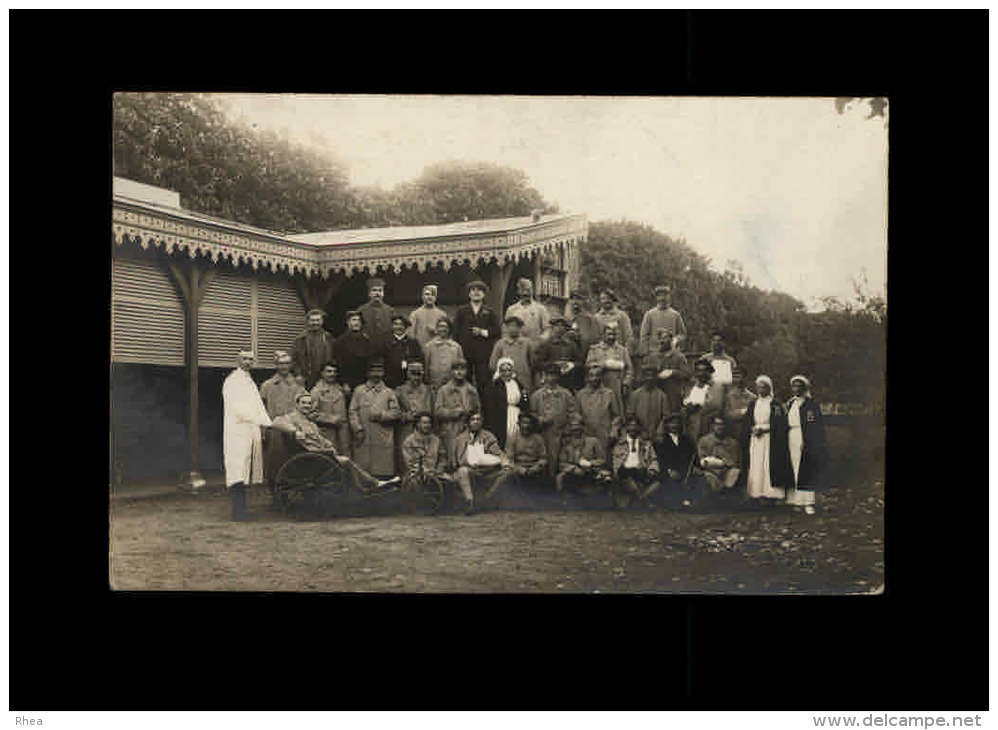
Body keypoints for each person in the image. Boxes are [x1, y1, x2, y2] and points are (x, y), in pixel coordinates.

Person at [272, 392, 399, 491]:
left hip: (321, 455)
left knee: (344, 461)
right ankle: (372, 484)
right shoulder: (292, 418)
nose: (306, 406)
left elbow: (320, 439)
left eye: (309, 403)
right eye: (303, 403)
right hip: (311, 458)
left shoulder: (310, 423)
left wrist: (328, 444)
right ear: (297, 404)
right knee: (346, 461)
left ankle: (366, 486)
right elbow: (276, 421)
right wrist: (295, 431)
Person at [222, 350, 272, 521]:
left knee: (245, 469)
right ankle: (237, 511)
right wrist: (263, 421)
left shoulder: (249, 380)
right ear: (238, 360)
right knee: (238, 469)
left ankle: (242, 509)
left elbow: (258, 405)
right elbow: (237, 408)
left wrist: (266, 421)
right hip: (238, 430)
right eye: (245, 359)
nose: (248, 362)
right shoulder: (232, 381)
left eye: (251, 359)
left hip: (250, 428)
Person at [742, 375, 793, 507]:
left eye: (763, 386)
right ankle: (758, 494)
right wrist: (752, 429)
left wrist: (765, 429)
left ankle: (774, 495)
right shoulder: (753, 403)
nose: (760, 389)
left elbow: (780, 423)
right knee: (757, 464)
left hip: (771, 439)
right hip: (756, 438)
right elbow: (748, 421)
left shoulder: (775, 404)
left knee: (769, 466)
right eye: (758, 386)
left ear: (769, 388)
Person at [348, 358, 402, 478]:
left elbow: (396, 413)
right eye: (374, 371)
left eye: (380, 370)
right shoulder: (359, 391)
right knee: (362, 471)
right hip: (364, 436)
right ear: (368, 373)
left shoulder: (389, 392)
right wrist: (357, 429)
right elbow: (352, 411)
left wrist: (381, 416)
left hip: (382, 436)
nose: (377, 374)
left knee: (382, 471)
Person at [785, 375, 830, 515]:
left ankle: (808, 502)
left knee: (806, 470)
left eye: (799, 386)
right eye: (794, 386)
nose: (796, 389)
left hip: (805, 439)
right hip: (791, 436)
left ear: (804, 388)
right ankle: (795, 501)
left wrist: (809, 441)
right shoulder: (790, 403)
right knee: (794, 468)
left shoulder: (811, 404)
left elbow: (815, 426)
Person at [453, 411, 513, 514]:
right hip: (471, 470)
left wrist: (505, 463)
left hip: (488, 471)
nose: (476, 422)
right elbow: (457, 459)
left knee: (509, 472)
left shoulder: (488, 436)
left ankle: (488, 498)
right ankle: (470, 501)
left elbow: (498, 452)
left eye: (478, 419)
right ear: (467, 423)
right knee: (462, 471)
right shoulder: (460, 439)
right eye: (473, 420)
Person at [530, 363, 581, 477]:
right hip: (542, 434)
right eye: (549, 375)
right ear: (545, 376)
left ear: (559, 377)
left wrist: (570, 428)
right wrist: (541, 420)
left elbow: (574, 413)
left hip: (561, 434)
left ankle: (558, 485)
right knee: (543, 460)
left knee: (559, 461)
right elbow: (532, 415)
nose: (552, 378)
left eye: (555, 375)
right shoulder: (536, 395)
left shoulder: (566, 394)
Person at [454, 279, 502, 394]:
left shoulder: (489, 312)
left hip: (483, 353)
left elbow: (497, 331)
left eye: (479, 290)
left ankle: (484, 409)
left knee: (483, 382)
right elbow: (455, 331)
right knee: (465, 380)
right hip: (465, 352)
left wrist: (482, 332)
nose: (476, 292)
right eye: (473, 290)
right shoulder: (461, 311)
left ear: (483, 294)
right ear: (469, 293)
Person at [434, 359, 481, 470]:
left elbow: (478, 409)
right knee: (451, 460)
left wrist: (474, 423)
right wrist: (455, 412)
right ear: (451, 372)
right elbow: (437, 411)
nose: (459, 372)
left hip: (467, 429)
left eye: (462, 369)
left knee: (467, 459)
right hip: (450, 429)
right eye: (456, 369)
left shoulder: (471, 390)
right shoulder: (444, 390)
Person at [488, 412, 548, 499]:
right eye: (523, 423)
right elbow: (509, 459)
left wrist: (535, 467)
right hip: (517, 467)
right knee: (505, 475)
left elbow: (543, 458)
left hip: (534, 467)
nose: (526, 426)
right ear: (518, 424)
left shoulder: (538, 438)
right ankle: (489, 497)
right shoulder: (513, 438)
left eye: (528, 423)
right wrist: (519, 469)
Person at [644, 412, 699, 507]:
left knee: (693, 479)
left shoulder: (687, 440)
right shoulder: (661, 441)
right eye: (672, 423)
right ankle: (644, 498)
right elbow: (660, 458)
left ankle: (685, 500)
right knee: (664, 479)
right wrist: (669, 470)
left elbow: (693, 456)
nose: (674, 426)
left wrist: (694, 467)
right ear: (667, 425)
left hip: (685, 470)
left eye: (677, 423)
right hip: (667, 470)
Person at [556, 412, 611, 498]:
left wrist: (589, 463)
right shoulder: (566, 443)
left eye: (577, 428)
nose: (575, 431)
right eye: (573, 428)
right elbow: (561, 463)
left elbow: (602, 459)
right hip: (573, 474)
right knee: (561, 478)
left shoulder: (593, 441)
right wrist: (573, 468)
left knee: (604, 478)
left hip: (590, 471)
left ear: (582, 427)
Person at [610, 414, 660, 509]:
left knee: (659, 481)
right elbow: (615, 461)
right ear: (626, 427)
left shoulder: (646, 444)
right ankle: (644, 500)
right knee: (625, 474)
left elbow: (654, 459)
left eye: (635, 425)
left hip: (641, 470)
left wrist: (652, 469)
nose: (633, 428)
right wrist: (617, 471)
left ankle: (639, 497)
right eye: (630, 425)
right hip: (625, 471)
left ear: (639, 428)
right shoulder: (619, 444)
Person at [483, 356, 530, 453]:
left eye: (509, 370)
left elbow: (524, 400)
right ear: (499, 371)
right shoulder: (495, 385)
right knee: (505, 438)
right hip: (502, 416)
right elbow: (491, 407)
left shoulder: (517, 383)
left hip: (516, 414)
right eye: (503, 371)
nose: (506, 373)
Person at [575, 363, 623, 453]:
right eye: (591, 375)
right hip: (586, 435)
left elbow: (617, 416)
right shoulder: (580, 394)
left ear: (601, 377)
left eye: (597, 375)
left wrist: (613, 431)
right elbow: (576, 415)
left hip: (604, 434)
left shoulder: (609, 393)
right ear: (587, 377)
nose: (594, 378)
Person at [309, 360, 351, 457]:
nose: (332, 374)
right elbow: (311, 414)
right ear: (322, 373)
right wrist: (331, 419)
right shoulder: (316, 391)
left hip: (343, 434)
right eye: (328, 371)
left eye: (334, 371)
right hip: (326, 434)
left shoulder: (340, 389)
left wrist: (348, 395)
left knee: (344, 460)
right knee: (328, 461)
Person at [585, 322, 633, 406]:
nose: (611, 337)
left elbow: (629, 369)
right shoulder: (595, 349)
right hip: (601, 384)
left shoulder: (623, 350)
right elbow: (588, 365)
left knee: (617, 409)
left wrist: (626, 383)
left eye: (614, 334)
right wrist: (604, 364)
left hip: (617, 386)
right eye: (609, 334)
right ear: (603, 334)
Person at [643, 327, 691, 409]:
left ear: (671, 340)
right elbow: (645, 373)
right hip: (656, 393)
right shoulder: (652, 357)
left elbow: (687, 374)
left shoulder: (679, 356)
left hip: (673, 393)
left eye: (665, 338)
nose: (662, 341)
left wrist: (673, 372)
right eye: (660, 338)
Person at [626, 363, 671, 449]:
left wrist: (659, 430)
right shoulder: (635, 395)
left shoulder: (662, 396)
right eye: (647, 375)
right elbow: (630, 415)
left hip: (657, 434)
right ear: (643, 377)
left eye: (652, 375)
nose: (649, 378)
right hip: (639, 435)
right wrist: (639, 430)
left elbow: (666, 416)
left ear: (656, 377)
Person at [682, 358, 726, 444]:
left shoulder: (717, 387)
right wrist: (687, 408)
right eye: (698, 371)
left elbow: (717, 407)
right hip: (690, 425)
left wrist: (699, 408)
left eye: (704, 371)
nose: (701, 374)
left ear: (710, 372)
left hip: (707, 426)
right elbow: (685, 401)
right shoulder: (691, 386)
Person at [291, 308, 337, 390]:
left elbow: (334, 358)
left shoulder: (328, 338)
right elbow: (294, 359)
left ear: (322, 321)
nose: (315, 323)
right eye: (312, 320)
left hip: (324, 379)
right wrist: (298, 375)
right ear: (308, 321)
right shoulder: (301, 339)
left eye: (318, 320)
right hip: (306, 379)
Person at [335, 310, 381, 390]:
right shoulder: (340, 341)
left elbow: (371, 360)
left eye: (359, 320)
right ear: (348, 322)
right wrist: (344, 383)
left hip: (365, 381)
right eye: (354, 320)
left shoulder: (367, 340)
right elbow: (339, 363)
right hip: (348, 381)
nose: (357, 323)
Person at [697, 416, 742, 496]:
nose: (720, 427)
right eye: (717, 424)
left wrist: (724, 462)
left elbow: (735, 462)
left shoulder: (733, 443)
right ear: (713, 426)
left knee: (735, 473)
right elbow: (702, 460)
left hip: (727, 472)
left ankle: (726, 494)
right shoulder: (704, 441)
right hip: (710, 472)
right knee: (706, 477)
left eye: (722, 425)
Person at [638, 284, 687, 357]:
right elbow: (644, 336)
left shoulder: (676, 315)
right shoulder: (649, 314)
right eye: (660, 295)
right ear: (656, 298)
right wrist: (647, 353)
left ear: (669, 297)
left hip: (672, 354)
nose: (662, 298)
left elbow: (683, 334)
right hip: (654, 353)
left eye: (665, 295)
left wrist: (675, 340)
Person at [534, 316, 582, 390]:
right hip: (550, 381)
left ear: (566, 329)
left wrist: (570, 365)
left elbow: (579, 362)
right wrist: (554, 364)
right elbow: (537, 363)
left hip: (568, 381)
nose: (559, 328)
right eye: (557, 325)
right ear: (552, 328)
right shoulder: (545, 344)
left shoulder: (571, 345)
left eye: (562, 326)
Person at [394, 357, 434, 445]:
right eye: (413, 374)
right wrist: (405, 416)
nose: (416, 377)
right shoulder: (399, 391)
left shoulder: (429, 391)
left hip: (425, 432)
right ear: (408, 374)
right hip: (406, 431)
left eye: (419, 374)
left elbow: (434, 412)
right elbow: (394, 412)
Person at [489, 315, 534, 389]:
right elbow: (492, 365)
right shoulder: (500, 344)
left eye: (516, 326)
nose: (513, 329)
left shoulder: (527, 343)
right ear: (506, 328)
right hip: (505, 379)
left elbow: (533, 362)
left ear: (520, 328)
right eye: (510, 326)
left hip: (524, 379)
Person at [401, 412, 447, 483]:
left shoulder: (436, 440)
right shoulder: (409, 441)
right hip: (416, 475)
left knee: (450, 483)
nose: (427, 425)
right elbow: (410, 463)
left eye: (429, 423)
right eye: (424, 423)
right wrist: (426, 473)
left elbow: (443, 458)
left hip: (436, 473)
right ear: (417, 424)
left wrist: (438, 470)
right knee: (415, 484)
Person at [259, 350, 305, 419]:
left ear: (291, 365)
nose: (284, 367)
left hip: (294, 424)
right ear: (276, 365)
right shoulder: (267, 385)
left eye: (287, 363)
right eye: (281, 364)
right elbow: (260, 408)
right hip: (274, 425)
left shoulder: (298, 384)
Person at [423, 317, 466, 391]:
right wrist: (428, 380)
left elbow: (461, 367)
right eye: (440, 326)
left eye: (445, 326)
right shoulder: (429, 346)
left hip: (452, 382)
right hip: (434, 383)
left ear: (449, 329)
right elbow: (426, 365)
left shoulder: (456, 347)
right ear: (436, 329)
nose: (443, 329)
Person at [505, 277, 551, 344]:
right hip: (516, 347)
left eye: (529, 290)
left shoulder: (541, 309)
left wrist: (541, 340)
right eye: (523, 290)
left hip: (534, 347)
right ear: (518, 291)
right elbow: (505, 331)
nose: (526, 293)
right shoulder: (511, 310)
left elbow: (547, 329)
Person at [566, 291, 601, 378]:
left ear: (583, 301)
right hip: (569, 360)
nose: (575, 301)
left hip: (584, 360)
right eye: (572, 299)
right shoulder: (566, 319)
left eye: (578, 299)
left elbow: (594, 340)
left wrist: (579, 338)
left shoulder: (590, 319)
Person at [357, 277, 397, 350]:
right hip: (366, 348)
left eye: (380, 290)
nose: (377, 293)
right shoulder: (361, 310)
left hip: (386, 349)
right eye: (374, 290)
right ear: (369, 293)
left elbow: (395, 331)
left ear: (383, 293)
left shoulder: (390, 310)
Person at [384, 314, 423, 388]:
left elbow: (419, 360)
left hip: (408, 381)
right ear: (392, 326)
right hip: (389, 381)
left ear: (406, 327)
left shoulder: (413, 343)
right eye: (396, 324)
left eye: (401, 325)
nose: (398, 327)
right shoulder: (386, 342)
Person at [593, 288, 635, 354]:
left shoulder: (622, 316)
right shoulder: (596, 318)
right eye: (603, 299)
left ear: (613, 300)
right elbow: (595, 339)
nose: (606, 301)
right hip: (602, 354)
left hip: (619, 353)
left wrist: (627, 354)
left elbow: (628, 336)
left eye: (608, 298)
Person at [407, 283, 449, 348]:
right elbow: (410, 335)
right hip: (420, 350)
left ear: (435, 298)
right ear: (422, 297)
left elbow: (447, 335)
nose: (430, 297)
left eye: (433, 295)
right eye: (427, 294)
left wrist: (436, 331)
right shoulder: (415, 314)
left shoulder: (442, 315)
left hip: (438, 349)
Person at [724, 364, 758, 437]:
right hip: (732, 434)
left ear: (745, 377)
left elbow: (755, 416)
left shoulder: (753, 397)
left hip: (748, 434)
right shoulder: (728, 396)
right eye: (734, 376)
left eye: (738, 376)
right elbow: (727, 415)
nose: (736, 378)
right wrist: (743, 412)